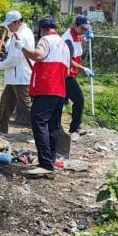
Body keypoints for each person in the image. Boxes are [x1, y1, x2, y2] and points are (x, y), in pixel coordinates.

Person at [20, 17, 72, 174]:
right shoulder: (64, 45)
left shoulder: (46, 40)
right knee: (53, 126)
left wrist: (23, 48)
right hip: (60, 91)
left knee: (38, 121)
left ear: (42, 30)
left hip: (46, 89)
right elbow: (67, 72)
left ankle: (45, 164)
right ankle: (51, 159)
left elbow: (38, 55)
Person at [0, 11, 35, 135]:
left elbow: (14, 59)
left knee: (26, 106)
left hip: (20, 77)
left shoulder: (23, 35)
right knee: (6, 102)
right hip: (14, 77)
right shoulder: (18, 33)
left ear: (18, 22)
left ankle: (41, 131)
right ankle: (1, 128)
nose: (8, 27)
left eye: (10, 24)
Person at [61, 16, 95, 134]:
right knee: (79, 99)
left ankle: (53, 126)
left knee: (61, 103)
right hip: (66, 75)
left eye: (86, 29)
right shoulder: (68, 40)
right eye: (82, 28)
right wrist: (84, 68)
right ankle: (75, 127)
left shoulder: (77, 35)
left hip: (71, 73)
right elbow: (68, 60)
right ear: (75, 26)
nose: (84, 31)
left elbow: (79, 51)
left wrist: (85, 40)